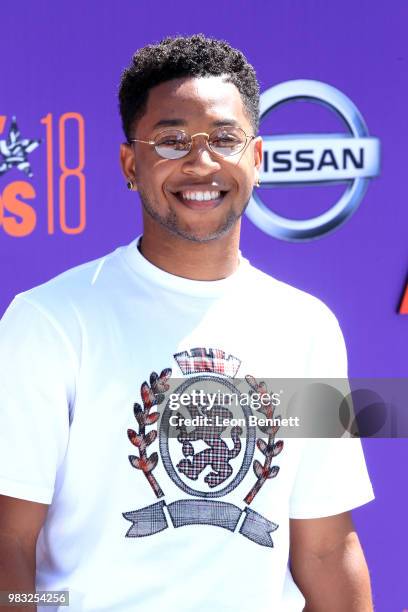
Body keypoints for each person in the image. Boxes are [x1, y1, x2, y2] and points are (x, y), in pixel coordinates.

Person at [0, 34, 374, 611]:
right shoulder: (50, 320)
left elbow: (325, 547)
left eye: (225, 139)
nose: (201, 163)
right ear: (131, 163)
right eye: (171, 141)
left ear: (256, 157)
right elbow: (10, 539)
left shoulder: (308, 327)